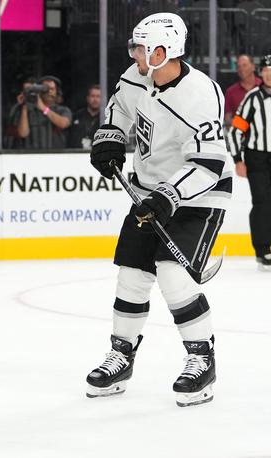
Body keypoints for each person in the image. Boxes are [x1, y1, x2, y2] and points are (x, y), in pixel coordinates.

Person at [87, 12, 231, 407]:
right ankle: (121, 356)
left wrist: (169, 196)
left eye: (140, 47)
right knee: (132, 275)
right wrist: (110, 138)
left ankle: (202, 359)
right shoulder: (137, 76)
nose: (133, 54)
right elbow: (119, 108)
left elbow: (208, 165)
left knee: (172, 274)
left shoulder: (201, 94)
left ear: (163, 50)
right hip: (149, 193)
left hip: (200, 196)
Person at [228, 54, 271, 270]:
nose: (269, 74)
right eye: (266, 70)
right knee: (263, 202)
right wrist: (237, 159)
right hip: (257, 157)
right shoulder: (252, 98)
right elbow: (235, 131)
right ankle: (263, 250)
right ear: (260, 73)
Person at [10, 75, 72, 149]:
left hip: (56, 157)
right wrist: (24, 106)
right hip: (32, 156)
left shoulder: (63, 110)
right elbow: (23, 133)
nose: (49, 92)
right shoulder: (28, 110)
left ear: (57, 92)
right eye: (45, 89)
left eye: (52, 89)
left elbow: (63, 123)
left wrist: (44, 108)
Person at [224, 54, 261, 126]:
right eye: (239, 66)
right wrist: (247, 126)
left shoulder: (265, 87)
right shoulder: (231, 92)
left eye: (244, 65)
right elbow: (227, 120)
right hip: (241, 135)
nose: (241, 69)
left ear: (253, 67)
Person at [68, 84, 101, 149]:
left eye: (98, 96)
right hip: (75, 154)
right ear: (87, 98)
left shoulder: (106, 117)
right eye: (93, 96)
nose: (95, 99)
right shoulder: (77, 115)